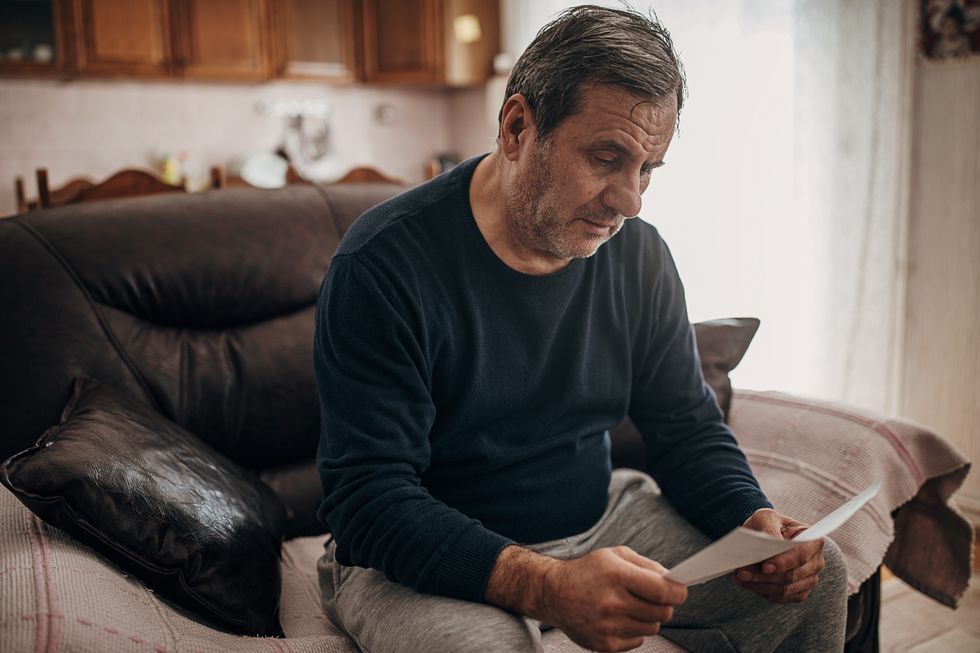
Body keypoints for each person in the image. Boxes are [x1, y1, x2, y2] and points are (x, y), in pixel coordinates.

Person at [313, 5, 847, 652]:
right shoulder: (383, 265)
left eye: (647, 169)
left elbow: (684, 425)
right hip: (423, 554)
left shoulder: (640, 256)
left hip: (602, 518)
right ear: (517, 128)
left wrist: (749, 517)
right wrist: (548, 585)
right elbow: (367, 499)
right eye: (606, 157)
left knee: (822, 578)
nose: (631, 200)